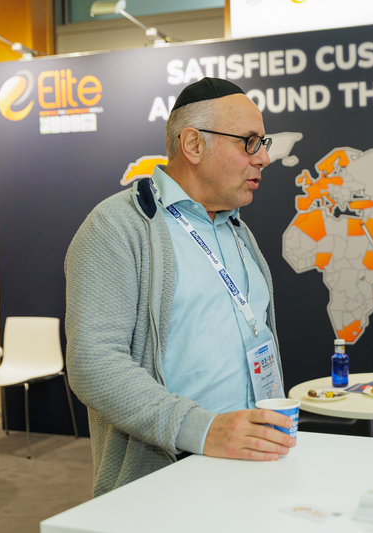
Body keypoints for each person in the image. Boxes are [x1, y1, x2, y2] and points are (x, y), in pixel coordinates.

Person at [65, 78, 295, 497]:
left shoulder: (237, 230)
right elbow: (94, 363)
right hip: (168, 483)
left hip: (257, 463)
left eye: (263, 143)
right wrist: (202, 430)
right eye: (249, 142)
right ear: (193, 145)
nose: (263, 157)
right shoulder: (116, 227)